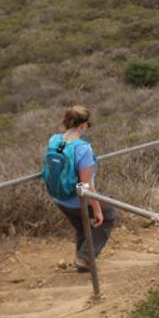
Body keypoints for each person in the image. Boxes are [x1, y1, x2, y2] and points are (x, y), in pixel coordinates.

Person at [45, 105, 115, 271]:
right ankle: (84, 257)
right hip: (77, 201)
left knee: (82, 227)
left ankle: (83, 263)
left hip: (59, 198)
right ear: (83, 125)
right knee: (110, 214)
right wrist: (98, 210)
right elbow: (86, 186)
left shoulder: (54, 140)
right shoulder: (83, 149)